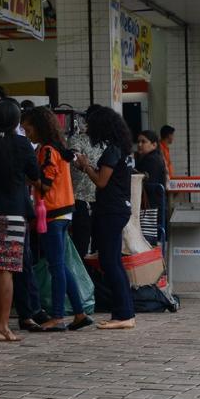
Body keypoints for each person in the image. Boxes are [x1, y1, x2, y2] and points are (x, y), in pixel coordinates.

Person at [21, 107, 93, 332]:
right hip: (64, 212)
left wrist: (27, 177)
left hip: (53, 213)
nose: (26, 133)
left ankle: (58, 316)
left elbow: (45, 183)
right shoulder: (59, 149)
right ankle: (79, 313)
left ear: (39, 127)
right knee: (61, 265)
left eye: (28, 128)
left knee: (56, 266)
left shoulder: (48, 151)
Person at [73, 107, 137, 329]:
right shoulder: (123, 150)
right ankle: (124, 312)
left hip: (111, 209)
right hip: (118, 208)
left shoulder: (112, 151)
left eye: (90, 125)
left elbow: (101, 181)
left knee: (110, 262)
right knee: (114, 262)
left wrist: (85, 166)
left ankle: (123, 315)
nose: (87, 129)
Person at [0, 100, 39, 342]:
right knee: (6, 270)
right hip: (14, 213)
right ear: (17, 121)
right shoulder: (23, 144)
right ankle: (4, 327)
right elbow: (35, 176)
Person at [68, 105, 105, 258]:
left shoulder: (105, 142)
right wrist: (83, 165)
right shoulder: (77, 139)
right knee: (81, 243)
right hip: (81, 199)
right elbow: (75, 159)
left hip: (102, 200)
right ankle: (82, 279)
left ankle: (97, 279)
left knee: (100, 244)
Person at [135, 129, 168, 210]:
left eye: (143, 142)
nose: (139, 144)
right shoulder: (153, 157)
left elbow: (149, 183)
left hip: (152, 207)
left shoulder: (152, 160)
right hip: (154, 205)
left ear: (154, 145)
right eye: (138, 141)